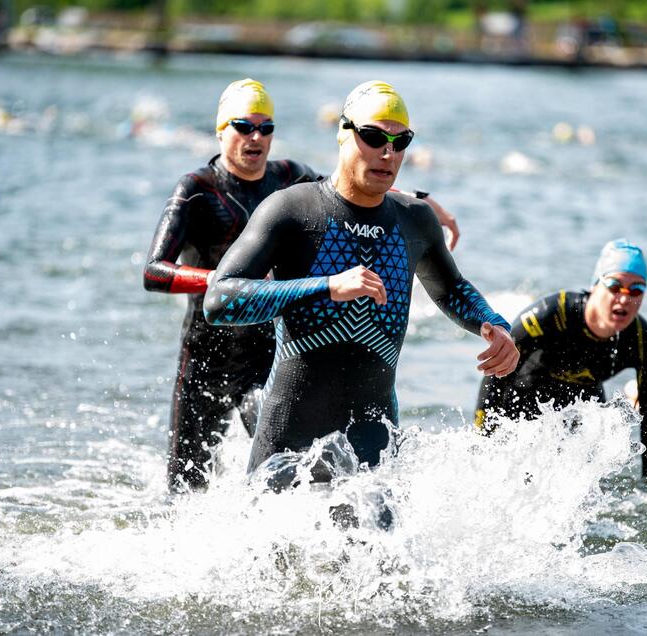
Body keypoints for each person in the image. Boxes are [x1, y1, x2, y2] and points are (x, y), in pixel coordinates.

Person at [144, 79, 460, 491]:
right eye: (244, 126)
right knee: (184, 486)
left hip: (265, 352)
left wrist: (423, 201)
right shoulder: (197, 191)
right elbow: (154, 272)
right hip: (209, 354)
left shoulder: (287, 177)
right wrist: (225, 281)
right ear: (222, 130)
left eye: (266, 128)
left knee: (293, 468)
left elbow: (353, 179)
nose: (256, 137)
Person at [202, 80, 519, 481]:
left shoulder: (414, 219)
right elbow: (220, 300)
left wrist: (494, 326)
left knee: (377, 542)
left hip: (371, 444)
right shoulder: (293, 210)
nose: (388, 152)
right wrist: (326, 286)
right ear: (344, 134)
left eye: (400, 141)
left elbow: (452, 287)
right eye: (373, 137)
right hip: (287, 440)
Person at [473, 239, 647, 477]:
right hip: (521, 402)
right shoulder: (552, 315)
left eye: (637, 290)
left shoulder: (644, 344)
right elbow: (494, 376)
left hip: (580, 412)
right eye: (615, 286)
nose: (625, 299)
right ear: (596, 285)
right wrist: (482, 445)